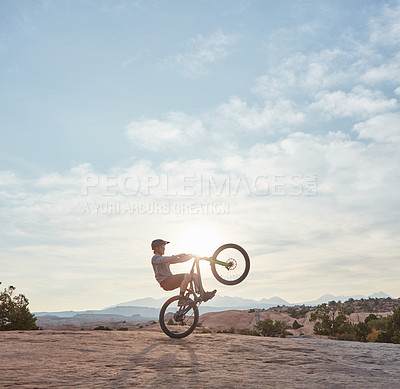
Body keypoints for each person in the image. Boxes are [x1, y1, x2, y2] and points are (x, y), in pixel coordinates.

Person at [151, 239, 216, 304]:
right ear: (156, 248)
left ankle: (202, 294)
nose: (164, 249)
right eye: (162, 247)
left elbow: (180, 260)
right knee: (187, 276)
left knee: (195, 275)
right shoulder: (155, 258)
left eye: (164, 247)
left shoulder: (165, 259)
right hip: (165, 282)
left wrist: (191, 256)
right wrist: (178, 255)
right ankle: (181, 299)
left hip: (170, 280)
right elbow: (164, 259)